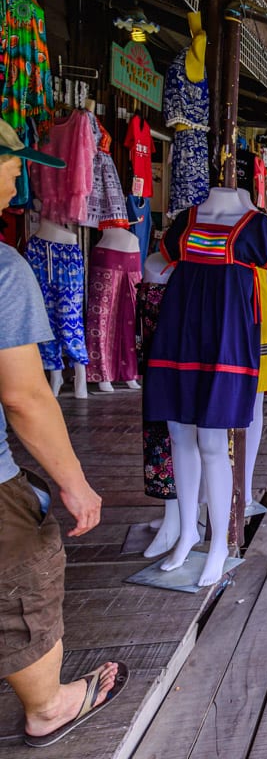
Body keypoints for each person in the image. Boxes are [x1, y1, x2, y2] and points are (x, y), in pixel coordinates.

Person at [0, 126, 128, 747]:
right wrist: (74, 484)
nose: (17, 181)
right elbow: (24, 395)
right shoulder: (3, 269)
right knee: (23, 570)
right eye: (11, 166)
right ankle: (49, 706)